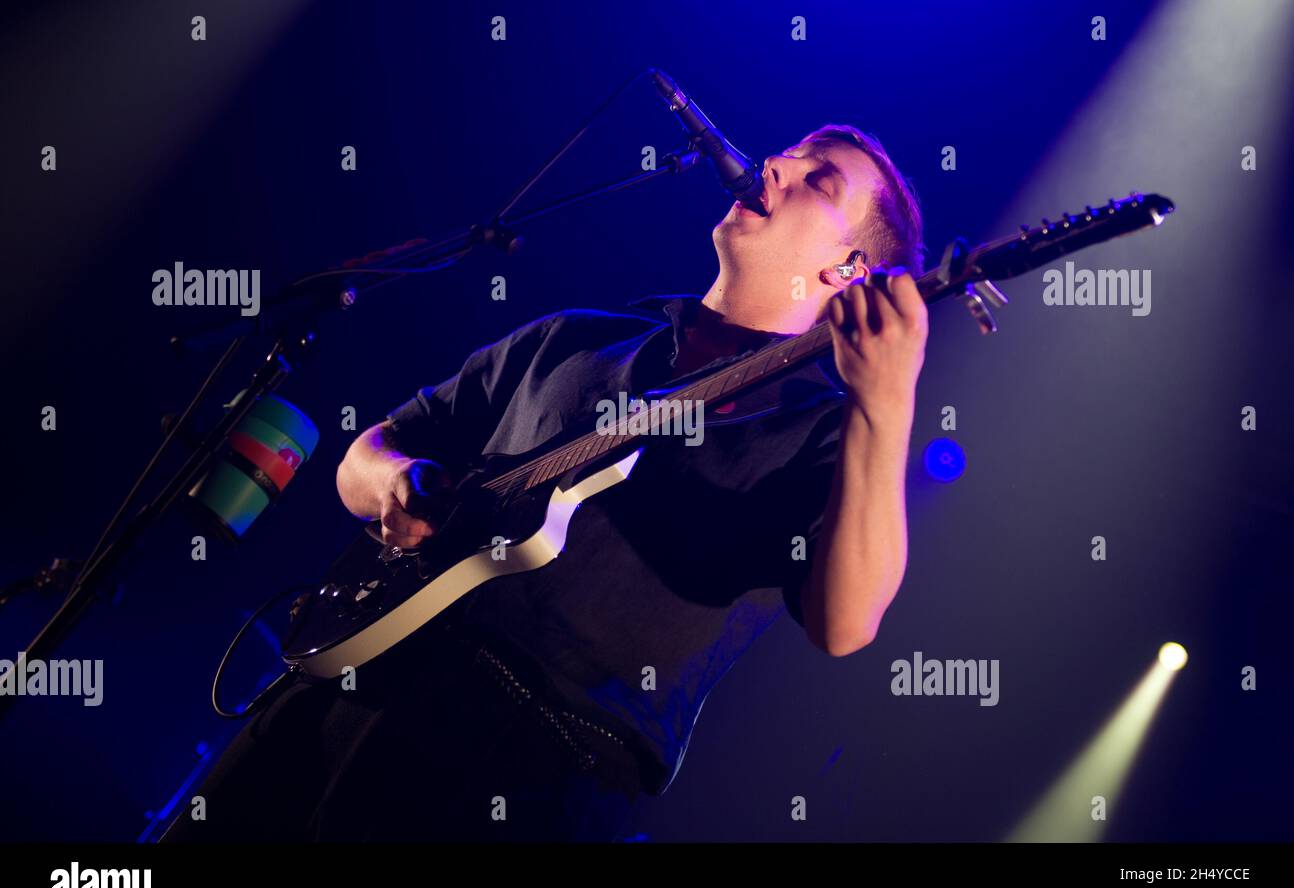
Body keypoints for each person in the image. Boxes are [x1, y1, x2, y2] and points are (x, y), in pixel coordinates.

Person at [160, 123, 928, 842]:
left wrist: (886, 405)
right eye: (788, 153)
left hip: (526, 768)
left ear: (850, 271)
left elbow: (846, 625)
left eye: (818, 180)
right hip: (344, 679)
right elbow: (370, 451)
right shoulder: (576, 336)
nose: (777, 165)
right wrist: (394, 480)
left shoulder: (826, 432)